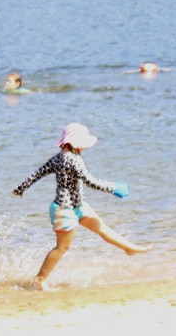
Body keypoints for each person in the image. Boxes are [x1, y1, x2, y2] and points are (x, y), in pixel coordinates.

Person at [13, 123, 149, 289]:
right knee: (62, 248)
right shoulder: (74, 160)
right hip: (65, 210)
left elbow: (37, 173)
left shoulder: (57, 158)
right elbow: (90, 181)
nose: (85, 147)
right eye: (83, 143)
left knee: (100, 227)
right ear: (74, 142)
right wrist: (113, 187)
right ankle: (40, 279)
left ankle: (129, 248)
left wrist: (21, 188)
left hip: (78, 206)